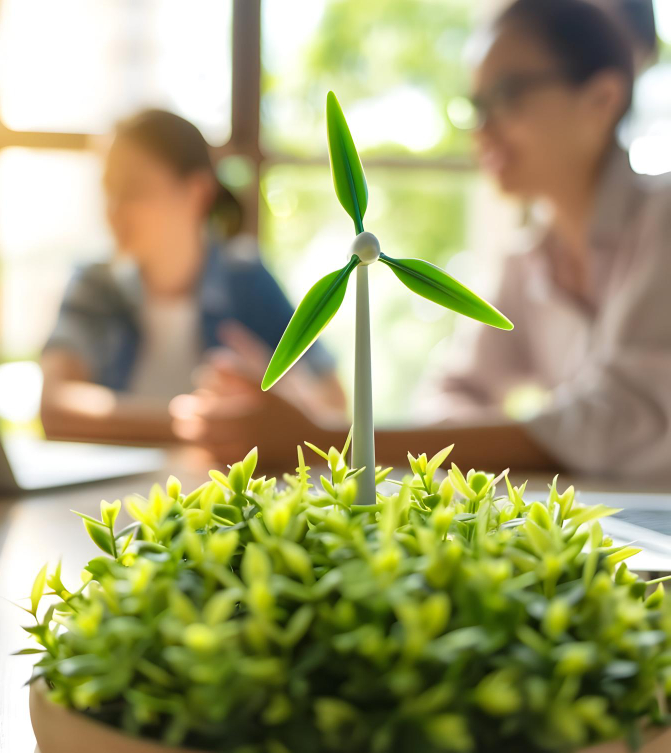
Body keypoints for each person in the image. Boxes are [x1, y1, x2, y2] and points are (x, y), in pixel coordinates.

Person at [172, 0, 671, 480]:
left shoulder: (661, 220)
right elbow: (453, 393)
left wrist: (328, 441)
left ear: (602, 99)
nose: (481, 128)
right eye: (476, 104)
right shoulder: (529, 257)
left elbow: (620, 418)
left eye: (508, 95)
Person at [39, 109, 344, 445]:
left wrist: (284, 392)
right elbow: (53, 405)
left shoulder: (248, 281)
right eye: (109, 189)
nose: (114, 208)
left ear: (197, 192)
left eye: (133, 188)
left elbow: (334, 405)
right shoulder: (95, 285)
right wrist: (195, 421)